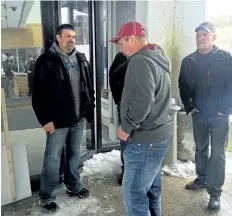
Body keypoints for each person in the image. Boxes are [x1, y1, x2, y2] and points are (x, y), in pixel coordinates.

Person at [110, 21, 172, 216]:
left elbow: (142, 103)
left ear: (132, 39)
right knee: (151, 189)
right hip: (159, 135)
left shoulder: (140, 61)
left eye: (122, 43)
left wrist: (126, 127)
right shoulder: (158, 56)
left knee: (134, 193)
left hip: (145, 140)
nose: (120, 50)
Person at [32, 24, 94, 213]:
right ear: (58, 38)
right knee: (52, 158)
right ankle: (46, 195)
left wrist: (88, 109)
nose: (71, 40)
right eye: (67, 36)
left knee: (74, 154)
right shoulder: (46, 60)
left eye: (74, 37)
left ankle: (73, 185)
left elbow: (88, 86)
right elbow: (38, 95)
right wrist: (45, 119)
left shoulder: (81, 59)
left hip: (77, 118)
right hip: (56, 121)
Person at [178, 21, 232, 210]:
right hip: (199, 114)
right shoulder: (189, 60)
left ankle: (215, 192)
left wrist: (225, 108)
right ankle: (202, 179)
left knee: (217, 154)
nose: (200, 38)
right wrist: (189, 106)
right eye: (198, 35)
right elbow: (183, 85)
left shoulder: (225, 57)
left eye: (204, 34)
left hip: (219, 116)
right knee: (201, 148)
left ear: (214, 37)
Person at [109, 52, 128, 185]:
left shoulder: (149, 54)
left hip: (144, 105)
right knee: (126, 139)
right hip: (124, 104)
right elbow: (112, 76)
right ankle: (126, 170)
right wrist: (119, 100)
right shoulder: (121, 56)